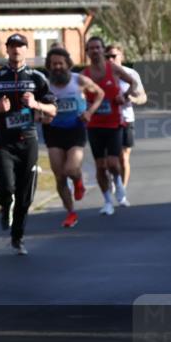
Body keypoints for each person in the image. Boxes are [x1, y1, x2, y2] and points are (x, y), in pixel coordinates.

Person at [0, 34, 57, 255]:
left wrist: (36, 104)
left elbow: (53, 109)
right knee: (7, 186)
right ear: (7, 49)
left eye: (20, 46)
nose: (16, 50)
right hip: (4, 141)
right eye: (12, 46)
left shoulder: (37, 78)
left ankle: (18, 237)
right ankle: (4, 207)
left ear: (26, 49)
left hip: (29, 141)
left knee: (25, 195)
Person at [41, 47, 104, 229]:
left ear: (68, 64)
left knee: (71, 168)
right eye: (53, 64)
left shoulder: (80, 80)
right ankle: (71, 213)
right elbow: (36, 105)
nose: (57, 67)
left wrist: (90, 112)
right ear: (49, 66)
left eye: (61, 63)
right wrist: (40, 115)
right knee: (59, 176)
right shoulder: (44, 85)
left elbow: (100, 93)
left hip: (75, 129)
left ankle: (78, 181)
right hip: (53, 131)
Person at [81, 36, 142, 215]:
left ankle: (118, 182)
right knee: (100, 165)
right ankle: (107, 200)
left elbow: (133, 83)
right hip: (94, 125)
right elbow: (78, 97)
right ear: (88, 52)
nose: (95, 51)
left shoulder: (113, 69)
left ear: (102, 50)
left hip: (115, 122)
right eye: (91, 48)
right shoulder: (84, 75)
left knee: (114, 163)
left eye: (98, 47)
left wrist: (125, 96)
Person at [105, 44, 147, 202]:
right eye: (107, 56)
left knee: (123, 158)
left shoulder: (131, 74)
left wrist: (130, 98)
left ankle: (121, 191)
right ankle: (112, 182)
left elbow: (143, 97)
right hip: (106, 121)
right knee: (109, 159)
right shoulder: (100, 74)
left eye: (113, 56)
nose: (110, 59)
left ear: (121, 56)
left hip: (126, 119)